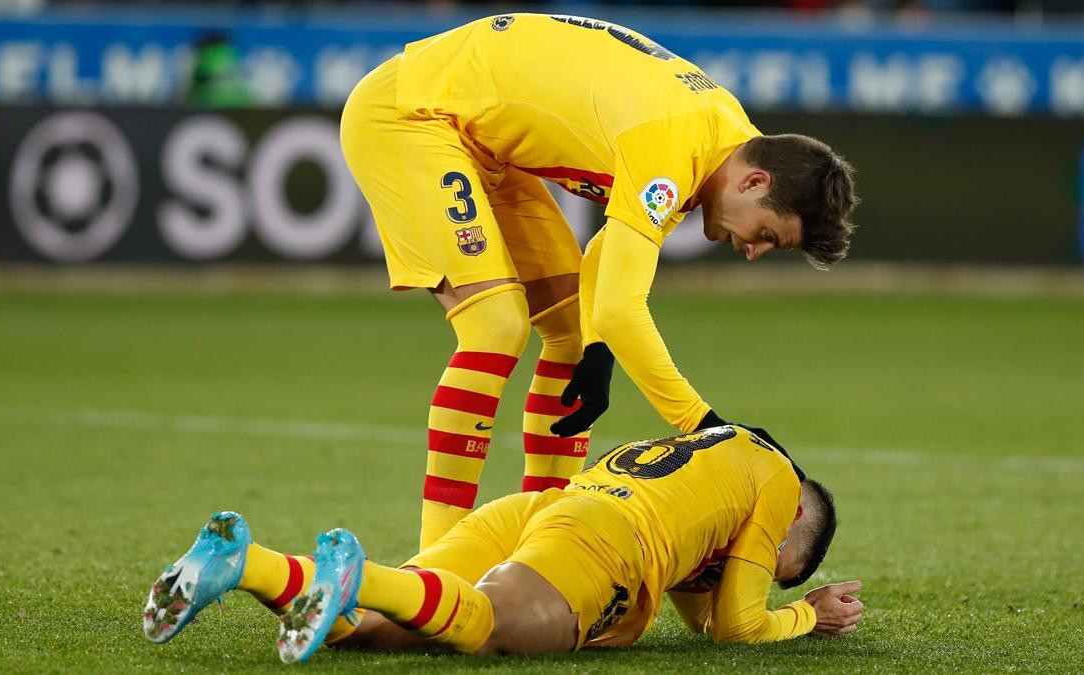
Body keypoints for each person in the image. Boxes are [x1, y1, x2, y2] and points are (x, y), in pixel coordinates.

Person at [339, 13, 860, 551]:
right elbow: (619, 307)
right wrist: (704, 424)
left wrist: (597, 349)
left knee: (569, 330)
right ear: (756, 182)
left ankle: (539, 545)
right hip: (411, 116)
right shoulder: (675, 144)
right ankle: (438, 561)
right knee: (494, 325)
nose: (753, 252)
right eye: (768, 235)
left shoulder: (718, 139)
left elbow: (606, 260)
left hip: (478, 139)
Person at [142, 424, 864, 663]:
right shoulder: (775, 478)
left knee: (365, 631)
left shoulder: (714, 463)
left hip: (539, 512)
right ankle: (355, 572)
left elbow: (709, 615)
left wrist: (762, 597)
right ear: (795, 508)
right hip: (597, 544)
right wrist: (808, 615)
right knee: (486, 625)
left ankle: (244, 562)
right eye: (775, 561)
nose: (754, 567)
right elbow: (740, 623)